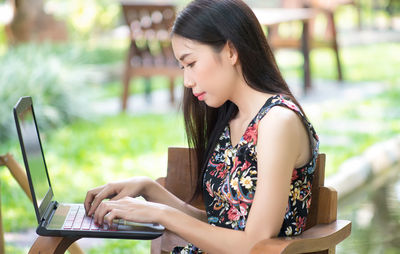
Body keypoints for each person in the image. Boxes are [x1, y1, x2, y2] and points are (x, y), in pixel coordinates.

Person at [84, 0, 319, 253]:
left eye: (191, 63)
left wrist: (162, 214)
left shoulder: (277, 122)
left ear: (231, 51)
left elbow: (255, 243)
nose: (186, 80)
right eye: (182, 66)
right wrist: (148, 188)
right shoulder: (231, 121)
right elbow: (222, 228)